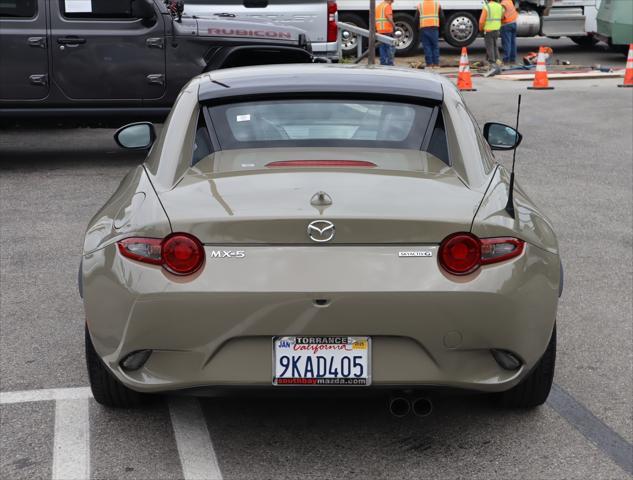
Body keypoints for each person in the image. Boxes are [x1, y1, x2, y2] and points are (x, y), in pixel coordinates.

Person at [415, 0, 444, 68]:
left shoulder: (420, 5)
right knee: (435, 46)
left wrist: (417, 29)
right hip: (434, 28)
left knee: (427, 46)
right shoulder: (437, 5)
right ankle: (436, 64)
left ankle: (429, 64)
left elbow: (416, 19)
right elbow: (442, 17)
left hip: (424, 28)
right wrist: (442, 29)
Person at [479, 0, 505, 69]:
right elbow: (502, 17)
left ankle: (492, 63)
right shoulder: (500, 7)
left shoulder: (487, 7)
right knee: (495, 46)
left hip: (488, 30)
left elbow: (481, 21)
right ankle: (498, 62)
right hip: (496, 29)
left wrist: (480, 29)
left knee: (490, 47)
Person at [375, 0, 396, 66]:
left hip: (380, 30)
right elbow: (389, 17)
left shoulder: (378, 6)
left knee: (382, 48)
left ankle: (383, 63)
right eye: (392, 1)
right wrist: (394, 26)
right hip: (387, 30)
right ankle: (390, 63)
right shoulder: (387, 6)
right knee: (390, 47)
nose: (392, 2)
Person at [500, 0, 519, 64]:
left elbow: (502, 15)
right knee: (513, 42)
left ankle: (506, 60)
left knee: (506, 43)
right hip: (514, 23)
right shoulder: (510, 1)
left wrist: (499, 19)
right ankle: (512, 59)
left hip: (506, 24)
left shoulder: (503, 3)